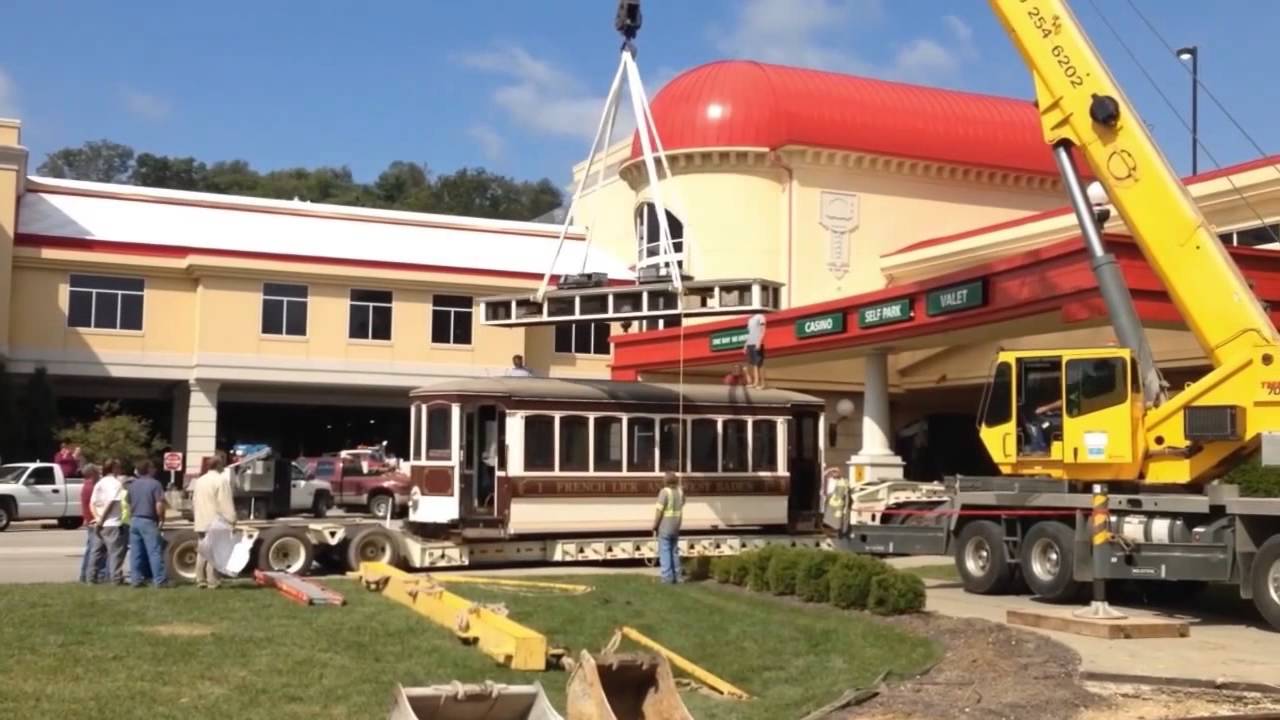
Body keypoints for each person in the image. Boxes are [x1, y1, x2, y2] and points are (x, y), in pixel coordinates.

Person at [191, 452, 237, 589]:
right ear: (218, 465)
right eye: (222, 463)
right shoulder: (221, 481)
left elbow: (194, 501)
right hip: (215, 520)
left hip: (201, 520)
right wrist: (232, 518)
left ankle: (200, 578)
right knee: (214, 551)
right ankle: (212, 579)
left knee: (203, 550)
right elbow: (225, 502)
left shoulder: (200, 480)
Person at [126, 459, 168, 588]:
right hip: (148, 520)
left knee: (136, 552)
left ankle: (136, 579)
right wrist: (161, 518)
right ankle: (159, 580)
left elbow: (128, 503)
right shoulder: (155, 484)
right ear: (148, 469)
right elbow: (159, 504)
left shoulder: (132, 485)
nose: (155, 469)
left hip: (134, 519)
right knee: (154, 551)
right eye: (153, 467)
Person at [88, 460, 128, 584]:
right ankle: (116, 579)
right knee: (115, 553)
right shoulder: (116, 484)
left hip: (99, 522)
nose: (120, 470)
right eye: (119, 467)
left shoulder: (100, 483)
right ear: (114, 468)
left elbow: (92, 503)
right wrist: (102, 519)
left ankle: (91, 578)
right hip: (112, 523)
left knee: (96, 552)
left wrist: (96, 517)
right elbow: (111, 502)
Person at [652, 472, 685, 584]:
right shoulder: (680, 493)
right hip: (676, 526)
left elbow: (659, 511)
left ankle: (667, 577)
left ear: (666, 481)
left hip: (665, 526)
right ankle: (678, 576)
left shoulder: (664, 492)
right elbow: (682, 504)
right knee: (674, 551)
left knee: (665, 551)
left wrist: (655, 525)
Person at [77, 464, 107, 583]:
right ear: (92, 473)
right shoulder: (92, 487)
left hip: (90, 520)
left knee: (91, 549)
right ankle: (96, 575)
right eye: (97, 472)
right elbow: (95, 504)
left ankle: (85, 574)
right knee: (97, 550)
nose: (100, 474)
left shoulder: (87, 485)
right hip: (94, 521)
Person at [744, 313, 767, 389]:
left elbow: (763, 329)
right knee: (754, 364)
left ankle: (762, 384)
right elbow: (749, 333)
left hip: (757, 342)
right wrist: (745, 345)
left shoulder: (760, 316)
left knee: (760, 363)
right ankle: (755, 382)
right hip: (750, 343)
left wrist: (759, 342)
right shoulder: (750, 319)